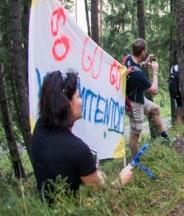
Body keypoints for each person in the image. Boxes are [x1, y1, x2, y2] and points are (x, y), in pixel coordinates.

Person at [31, 70, 134, 201]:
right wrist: (121, 180)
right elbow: (102, 197)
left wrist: (87, 169)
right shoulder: (77, 149)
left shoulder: (39, 129)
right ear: (66, 104)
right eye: (78, 96)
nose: (81, 101)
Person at [123, 38, 172, 157]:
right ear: (143, 51)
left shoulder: (128, 58)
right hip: (133, 104)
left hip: (137, 97)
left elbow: (135, 66)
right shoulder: (137, 74)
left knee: (155, 109)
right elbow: (154, 90)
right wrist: (155, 71)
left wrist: (145, 62)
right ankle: (135, 162)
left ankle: (165, 138)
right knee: (135, 135)